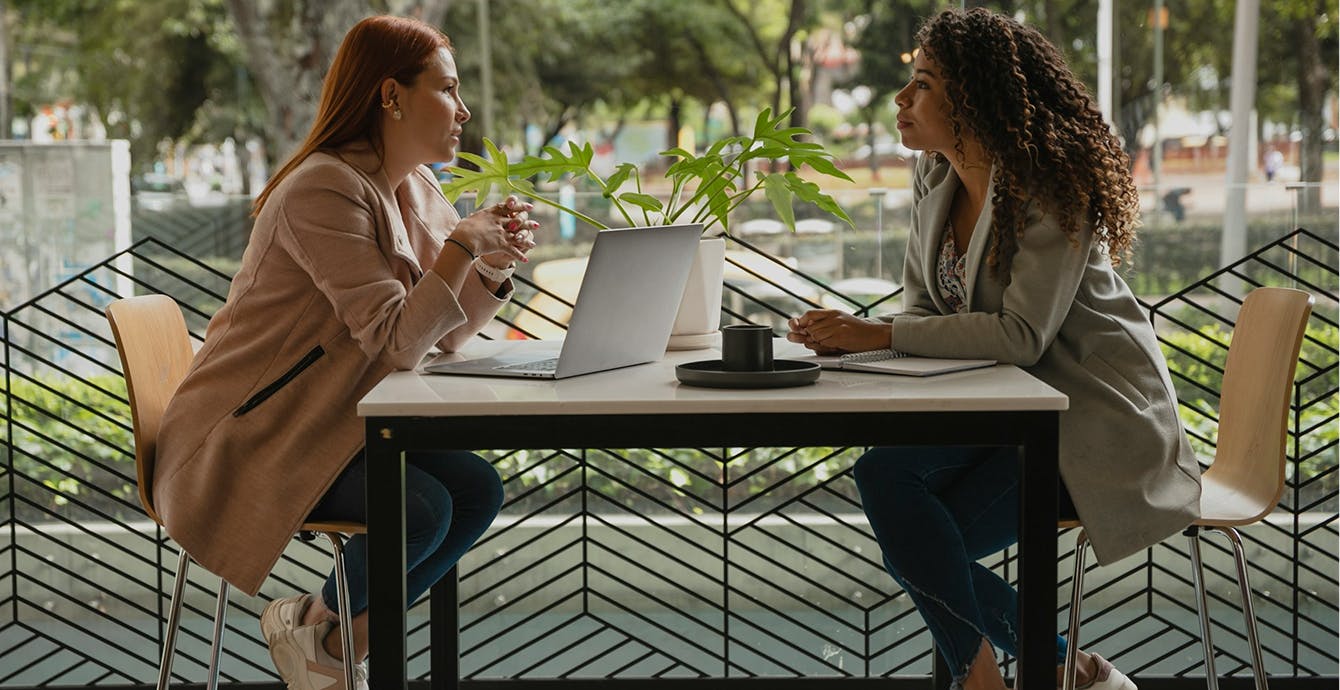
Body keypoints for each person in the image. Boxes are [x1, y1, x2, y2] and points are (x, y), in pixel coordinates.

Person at [787, 8, 1200, 690]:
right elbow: (924, 312)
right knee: (898, 499)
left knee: (908, 520)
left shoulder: (1050, 185)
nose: (901, 99)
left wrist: (881, 335)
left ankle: (994, 681)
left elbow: (1020, 335)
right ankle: (1068, 670)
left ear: (973, 98)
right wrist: (850, 349)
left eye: (921, 84)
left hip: (1087, 421)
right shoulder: (935, 179)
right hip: (1007, 412)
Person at [154, 15, 538, 690]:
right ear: (391, 96)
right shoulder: (322, 189)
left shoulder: (415, 188)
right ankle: (327, 642)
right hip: (254, 434)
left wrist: (491, 268)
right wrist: (461, 248)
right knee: (421, 510)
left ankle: (322, 636)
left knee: (477, 488)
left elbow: (443, 335)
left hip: (330, 423)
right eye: (447, 89)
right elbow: (396, 339)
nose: (463, 108)